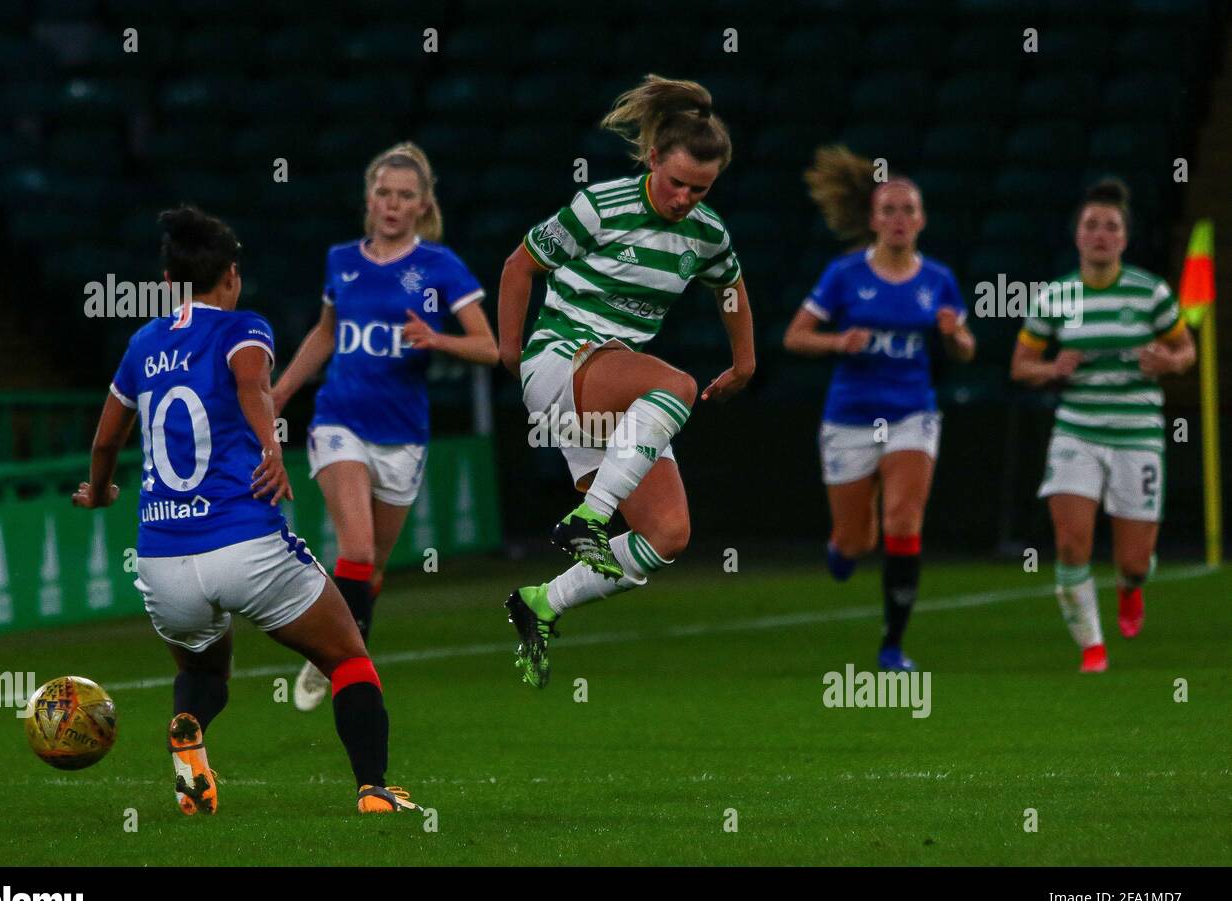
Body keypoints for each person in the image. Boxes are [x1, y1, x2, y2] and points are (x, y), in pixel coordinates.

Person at [73, 205, 417, 814]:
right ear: (230, 275)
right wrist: (271, 447)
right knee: (346, 658)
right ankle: (374, 790)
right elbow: (251, 384)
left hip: (161, 561)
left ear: (167, 281)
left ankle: (187, 728)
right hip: (244, 544)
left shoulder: (142, 344)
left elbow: (105, 441)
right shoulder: (243, 328)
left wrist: (99, 491)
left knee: (207, 676)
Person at [498, 75, 756, 688]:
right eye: (677, 183)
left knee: (666, 535)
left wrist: (745, 361)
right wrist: (510, 351)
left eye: (701, 189)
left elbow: (730, 286)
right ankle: (587, 517)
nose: (686, 198)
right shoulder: (601, 206)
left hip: (609, 392)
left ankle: (541, 602)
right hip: (562, 360)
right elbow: (520, 264)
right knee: (679, 385)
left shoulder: (707, 232)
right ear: (653, 159)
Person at [271, 143, 497, 711]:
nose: (392, 205)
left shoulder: (441, 267)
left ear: (423, 206)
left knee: (370, 568)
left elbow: (490, 348)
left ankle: (331, 649)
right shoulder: (341, 260)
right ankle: (347, 669)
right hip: (339, 418)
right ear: (368, 199)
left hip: (403, 433)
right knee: (357, 546)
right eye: (383, 194)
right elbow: (326, 333)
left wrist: (437, 338)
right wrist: (279, 393)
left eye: (405, 196)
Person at [783, 145, 975, 672]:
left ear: (922, 220)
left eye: (908, 210)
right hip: (848, 417)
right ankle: (842, 551)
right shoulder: (844, 275)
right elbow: (796, 336)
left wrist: (954, 336)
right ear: (872, 219)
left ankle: (892, 645)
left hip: (913, 412)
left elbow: (966, 346)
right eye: (888, 209)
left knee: (903, 520)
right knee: (856, 540)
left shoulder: (938, 279)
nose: (898, 219)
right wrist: (838, 341)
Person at [1010, 178, 1195, 672]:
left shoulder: (1150, 292)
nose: (1100, 234)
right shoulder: (1055, 298)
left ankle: (1131, 589)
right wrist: (1051, 370)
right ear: (1077, 236)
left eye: (1110, 226)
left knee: (1134, 561)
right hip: (1078, 430)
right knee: (1072, 544)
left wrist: (1168, 361)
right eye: (1091, 225)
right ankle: (1092, 647)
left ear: (1123, 239)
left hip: (1138, 434)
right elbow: (1020, 366)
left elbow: (1187, 350)